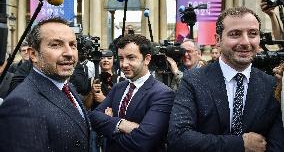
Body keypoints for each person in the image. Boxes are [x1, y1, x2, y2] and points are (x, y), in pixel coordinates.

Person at [168, 7, 284, 152]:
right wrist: (239, 144)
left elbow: (277, 145)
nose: (246, 42)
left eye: (253, 34)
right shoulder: (193, 80)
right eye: (235, 34)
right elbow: (178, 138)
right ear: (218, 40)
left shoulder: (272, 85)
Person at [0, 17, 91, 152]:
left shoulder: (67, 87)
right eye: (56, 44)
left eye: (73, 45)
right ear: (33, 54)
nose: (69, 53)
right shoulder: (21, 104)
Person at [89, 34, 175, 152]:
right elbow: (93, 117)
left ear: (147, 59)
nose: (124, 64)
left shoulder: (163, 94)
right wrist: (121, 124)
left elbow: (142, 142)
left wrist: (109, 126)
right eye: (121, 58)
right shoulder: (118, 88)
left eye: (131, 57)